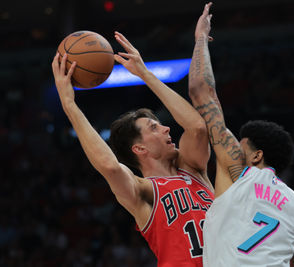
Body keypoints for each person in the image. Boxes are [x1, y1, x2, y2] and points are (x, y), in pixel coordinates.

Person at [51, 30, 214, 266]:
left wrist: (145, 74)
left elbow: (197, 127)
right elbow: (109, 166)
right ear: (139, 149)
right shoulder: (142, 192)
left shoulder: (194, 170)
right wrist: (69, 104)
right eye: (154, 128)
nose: (167, 129)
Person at [187, 3, 294, 267]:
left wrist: (200, 38)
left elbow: (200, 89)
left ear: (256, 155)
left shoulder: (238, 169)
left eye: (240, 145)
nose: (232, 147)